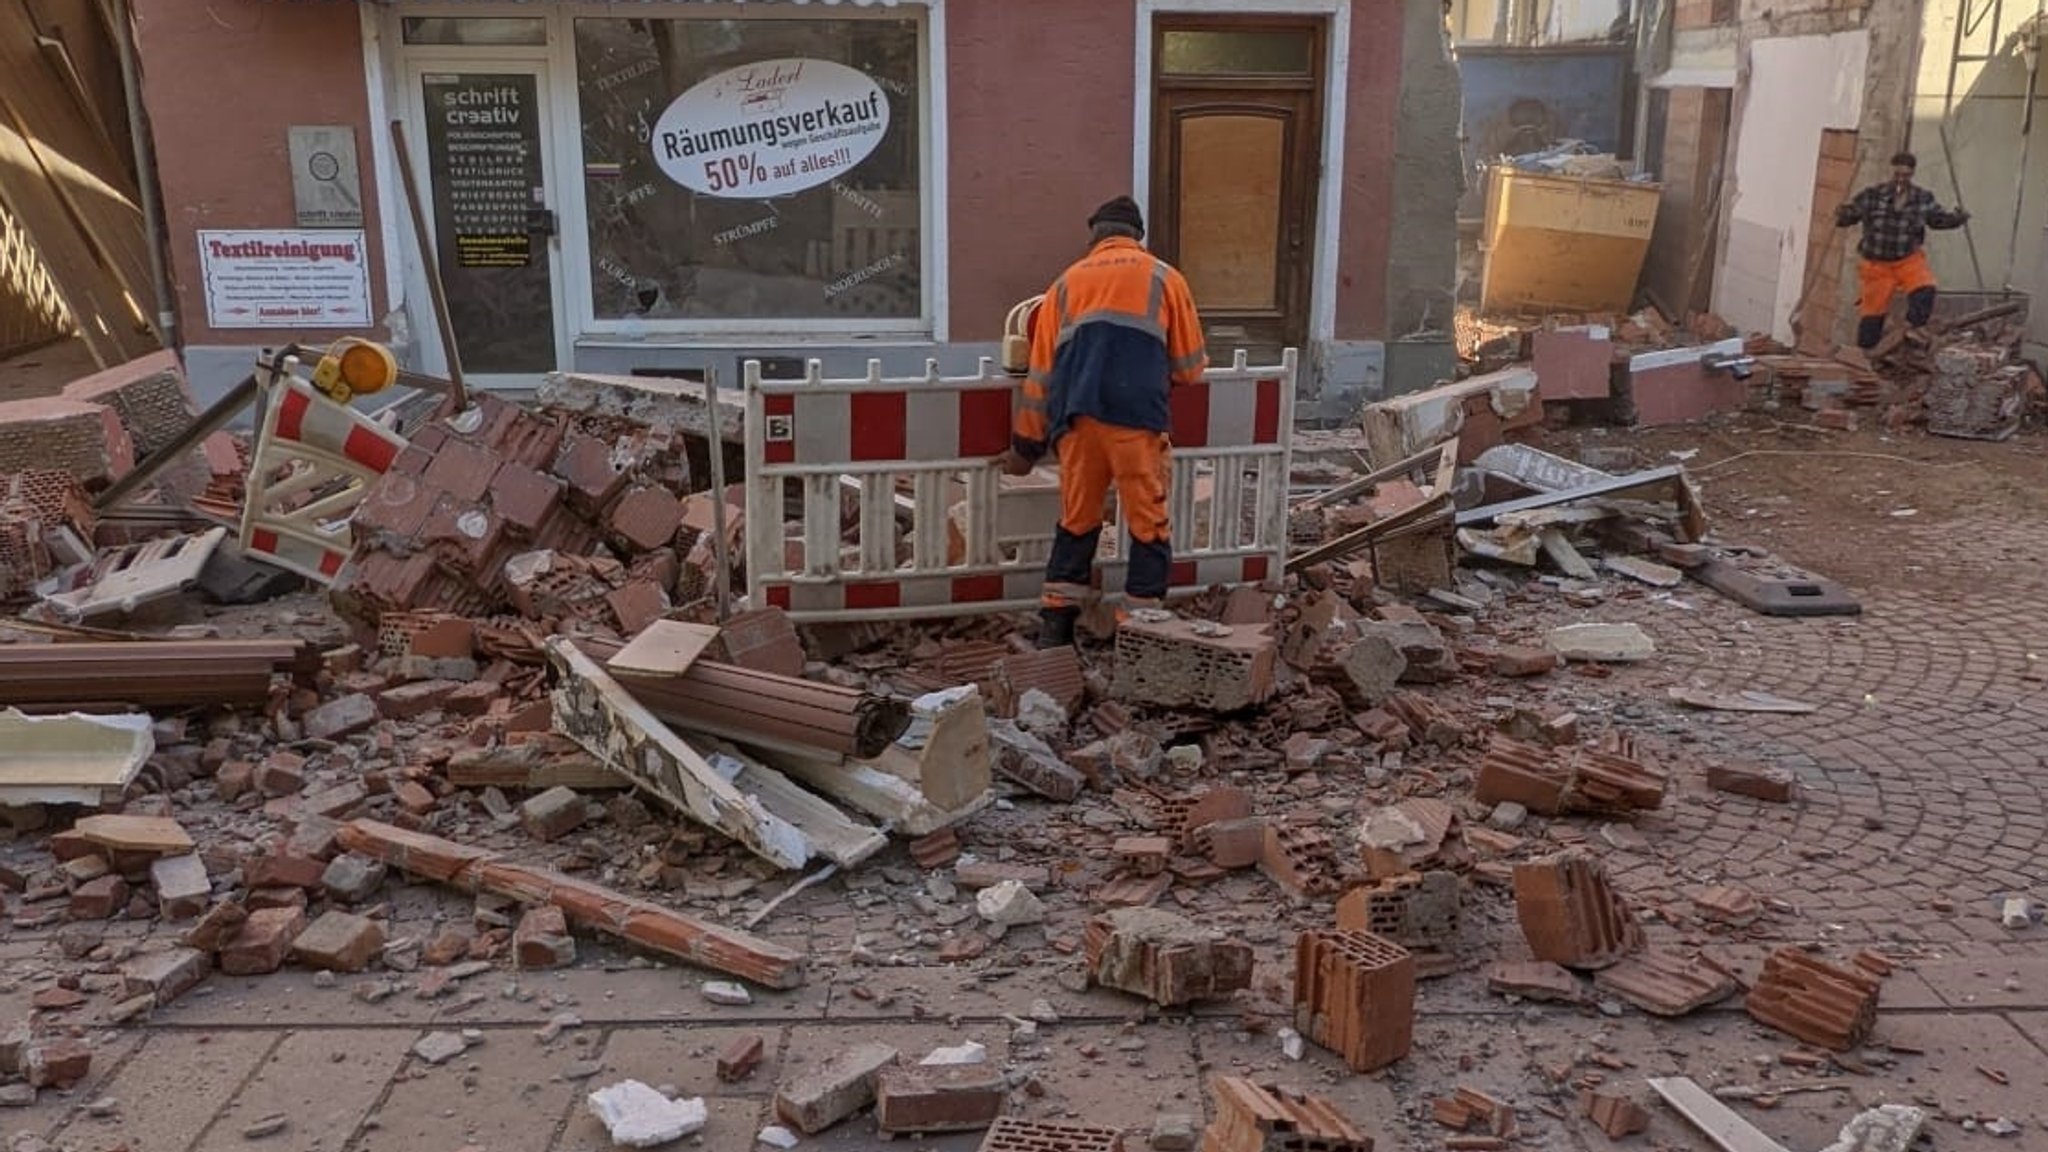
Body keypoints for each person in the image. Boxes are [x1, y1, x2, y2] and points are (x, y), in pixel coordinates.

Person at [992, 196, 1208, 649]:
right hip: (1136, 422)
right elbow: (1190, 368)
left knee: (1077, 519)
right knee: (1147, 520)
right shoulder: (1165, 279)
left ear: (1095, 236)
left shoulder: (1064, 286)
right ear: (1137, 237)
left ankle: (1055, 629)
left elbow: (1040, 378)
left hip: (1078, 422)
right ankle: (1140, 630)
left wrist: (1024, 449)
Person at [1834, 151, 1970, 350]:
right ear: (1892, 172)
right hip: (1877, 265)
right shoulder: (1872, 195)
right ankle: (1865, 356)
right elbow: (1851, 215)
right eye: (1897, 174)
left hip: (1908, 261)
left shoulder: (1923, 198)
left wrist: (1957, 219)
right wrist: (1843, 215)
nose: (1900, 179)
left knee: (1925, 289)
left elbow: (1938, 220)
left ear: (1912, 174)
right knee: (1872, 316)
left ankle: (1912, 332)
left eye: (1905, 175)